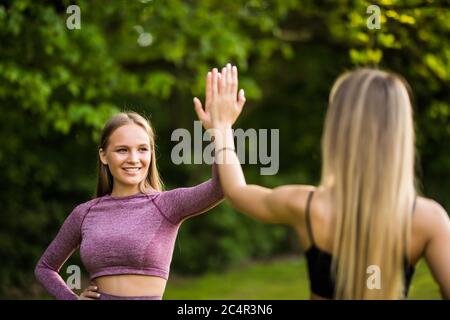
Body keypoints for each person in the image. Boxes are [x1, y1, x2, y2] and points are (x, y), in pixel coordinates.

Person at [193, 64, 450, 299]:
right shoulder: (428, 220)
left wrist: (222, 129)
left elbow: (238, 192)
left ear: (338, 130)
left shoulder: (309, 207)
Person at [35, 111, 224, 300]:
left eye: (142, 149)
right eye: (122, 150)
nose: (133, 159)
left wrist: (219, 133)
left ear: (151, 153)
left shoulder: (166, 205)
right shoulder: (85, 213)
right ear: (104, 155)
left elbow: (220, 187)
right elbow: (45, 268)